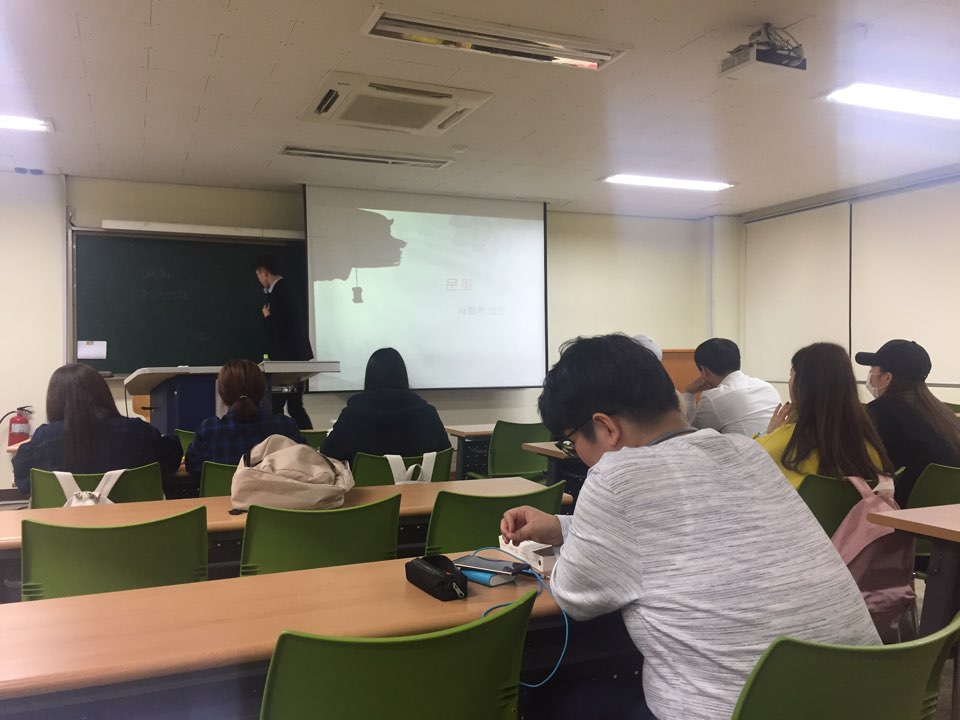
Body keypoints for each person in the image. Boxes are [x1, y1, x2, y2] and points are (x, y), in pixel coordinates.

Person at [501, 334, 879, 720]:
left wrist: (562, 548)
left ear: (606, 428)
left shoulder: (617, 474)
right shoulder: (747, 452)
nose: (577, 454)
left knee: (548, 694)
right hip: (869, 701)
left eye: (571, 441)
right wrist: (564, 527)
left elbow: (575, 596)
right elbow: (696, 532)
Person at [12, 363, 182, 492]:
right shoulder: (137, 432)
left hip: (64, 527)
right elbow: (172, 459)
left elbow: (22, 481)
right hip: (134, 525)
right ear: (102, 393)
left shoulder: (44, 439)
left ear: (54, 400)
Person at [756, 342, 892, 488]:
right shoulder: (868, 443)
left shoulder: (776, 445)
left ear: (802, 385)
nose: (790, 381)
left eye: (792, 374)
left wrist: (770, 435)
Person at [855, 339, 960, 507]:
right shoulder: (942, 414)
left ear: (887, 377)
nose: (869, 376)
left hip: (902, 511)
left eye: (872, 370)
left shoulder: (878, 412)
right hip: (946, 512)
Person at [322, 348, 451, 465]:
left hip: (365, 484)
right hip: (420, 483)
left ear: (369, 377)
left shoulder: (351, 416)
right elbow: (444, 456)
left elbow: (328, 455)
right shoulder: (428, 414)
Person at [185, 359, 304, 477]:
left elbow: (193, 468)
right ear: (263, 391)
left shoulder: (208, 431)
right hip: (276, 490)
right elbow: (304, 462)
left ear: (222, 394)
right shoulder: (285, 426)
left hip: (225, 490)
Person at [255, 254, 314, 429]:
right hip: (292, 361)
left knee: (280, 406)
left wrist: (267, 317)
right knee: (293, 406)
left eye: (258, 275)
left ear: (264, 272)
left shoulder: (280, 292)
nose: (259, 280)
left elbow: (281, 328)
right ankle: (307, 439)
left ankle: (283, 439)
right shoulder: (285, 289)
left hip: (287, 363)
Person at [682, 337, 780, 436]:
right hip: (776, 444)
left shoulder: (713, 398)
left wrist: (688, 392)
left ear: (704, 370)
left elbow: (691, 434)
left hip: (750, 446)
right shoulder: (767, 387)